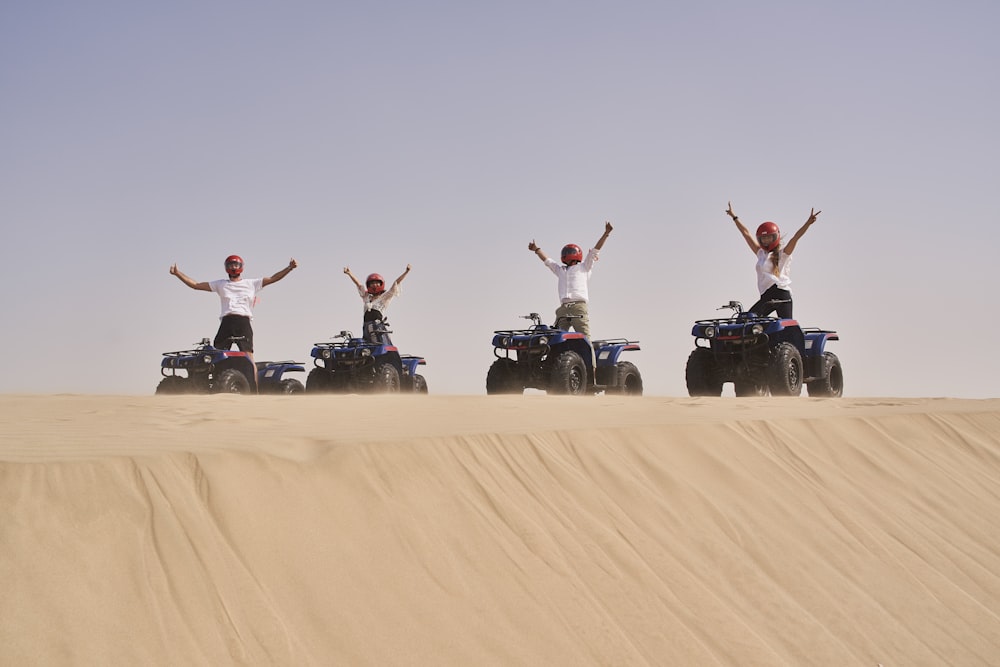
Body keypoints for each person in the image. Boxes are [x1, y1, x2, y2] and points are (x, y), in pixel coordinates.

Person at [169, 255, 298, 353]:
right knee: (218, 354)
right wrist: (177, 274)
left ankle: (255, 389)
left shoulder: (252, 283)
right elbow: (196, 285)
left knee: (248, 355)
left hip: (243, 321)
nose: (233, 267)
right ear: (226, 267)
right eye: (230, 265)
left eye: (236, 265)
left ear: (241, 266)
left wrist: (289, 268)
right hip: (227, 321)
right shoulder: (220, 284)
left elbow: (273, 278)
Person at [725, 202, 820, 319]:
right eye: (763, 238)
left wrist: (808, 223)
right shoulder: (760, 253)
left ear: (775, 237)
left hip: (781, 293)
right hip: (766, 295)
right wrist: (734, 217)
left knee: (787, 328)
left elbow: (796, 237)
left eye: (768, 237)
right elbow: (746, 234)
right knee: (746, 320)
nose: (765, 241)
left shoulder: (783, 254)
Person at [528, 221, 613, 338]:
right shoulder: (561, 270)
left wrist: (606, 233)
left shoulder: (584, 266)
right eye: (565, 252)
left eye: (570, 252)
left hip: (578, 307)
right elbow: (548, 261)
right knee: (555, 339)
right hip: (563, 309)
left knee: (585, 338)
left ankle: (591, 357)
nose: (567, 254)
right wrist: (537, 250)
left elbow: (595, 251)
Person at [343, 265, 411, 343]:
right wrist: (349, 273)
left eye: (376, 283)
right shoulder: (366, 297)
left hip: (377, 326)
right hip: (366, 326)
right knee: (365, 346)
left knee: (378, 344)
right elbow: (358, 284)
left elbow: (396, 283)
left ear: (381, 284)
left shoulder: (385, 297)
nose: (374, 285)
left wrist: (406, 272)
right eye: (372, 283)